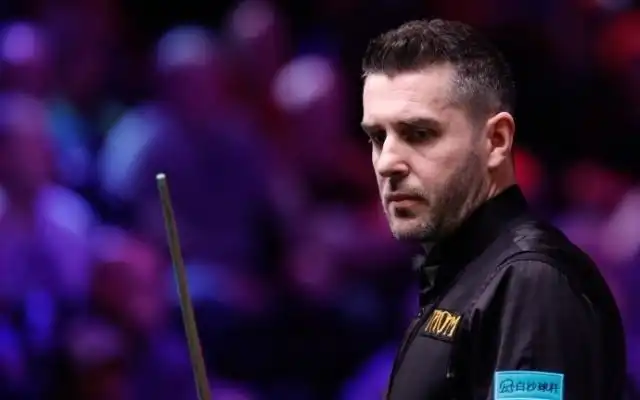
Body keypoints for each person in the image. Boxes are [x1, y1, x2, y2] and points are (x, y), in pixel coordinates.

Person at [360, 19, 626, 400]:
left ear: (497, 141)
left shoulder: (529, 283)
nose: (387, 162)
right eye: (377, 137)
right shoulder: (464, 275)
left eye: (420, 134)